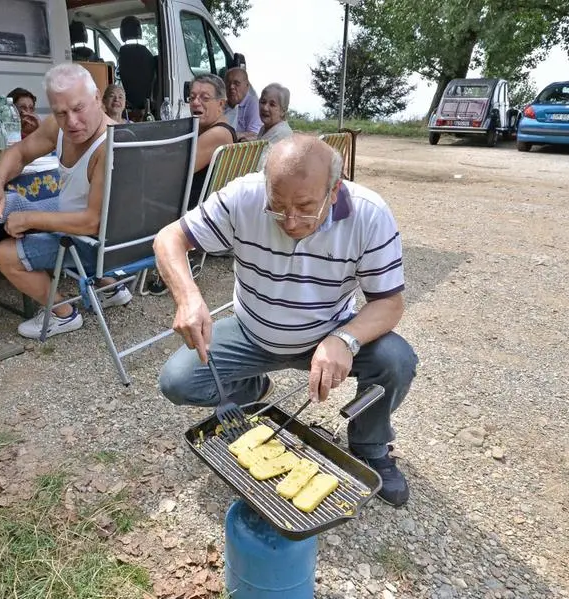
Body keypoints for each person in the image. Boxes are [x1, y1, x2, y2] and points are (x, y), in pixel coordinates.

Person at [152, 134, 419, 507]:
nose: (290, 221)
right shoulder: (243, 197)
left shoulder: (369, 214)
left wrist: (345, 339)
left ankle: (370, 444)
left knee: (396, 360)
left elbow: (389, 303)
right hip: (251, 332)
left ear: (335, 190)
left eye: (305, 206)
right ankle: (253, 390)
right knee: (176, 381)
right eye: (277, 206)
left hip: (326, 333)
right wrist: (188, 296)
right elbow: (169, 239)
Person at [0, 63, 132, 339]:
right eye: (61, 112)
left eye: (78, 108)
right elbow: (20, 152)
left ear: (97, 98)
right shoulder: (59, 128)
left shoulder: (110, 146)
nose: (71, 122)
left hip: (101, 244)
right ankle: (111, 289)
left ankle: (63, 313)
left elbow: (90, 222)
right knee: (40, 219)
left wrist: (29, 219)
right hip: (117, 240)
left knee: (4, 253)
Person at [144, 73, 235, 295]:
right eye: (192, 96)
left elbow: (176, 169)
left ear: (221, 104)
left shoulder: (218, 134)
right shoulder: (212, 131)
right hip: (196, 200)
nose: (195, 102)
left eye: (205, 98)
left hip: (189, 205)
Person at [223, 67, 262, 142]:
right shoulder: (221, 103)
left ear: (247, 86)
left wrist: (230, 136)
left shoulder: (253, 103)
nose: (231, 87)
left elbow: (254, 133)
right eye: (228, 83)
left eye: (236, 83)